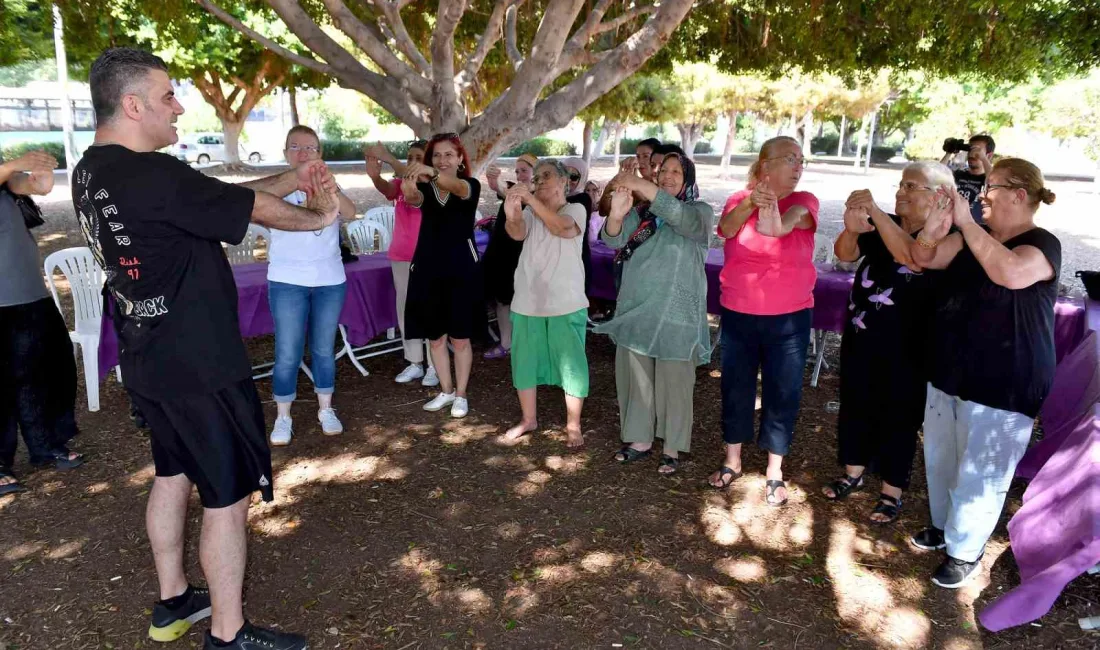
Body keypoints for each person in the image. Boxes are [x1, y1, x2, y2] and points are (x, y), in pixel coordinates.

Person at [73, 47, 337, 650]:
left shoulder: (94, 170)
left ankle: (173, 601)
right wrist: (317, 211)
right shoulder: (154, 176)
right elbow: (265, 214)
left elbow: (220, 197)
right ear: (133, 103)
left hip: (146, 358)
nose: (179, 106)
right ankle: (227, 632)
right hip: (200, 365)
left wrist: (292, 180)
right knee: (227, 494)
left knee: (172, 474)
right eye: (168, 96)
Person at [893, 158, 1060, 588]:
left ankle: (965, 551)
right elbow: (921, 259)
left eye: (991, 187)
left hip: (1005, 379)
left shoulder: (1041, 244)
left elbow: (1009, 272)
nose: (981, 194)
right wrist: (934, 227)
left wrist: (966, 225)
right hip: (950, 368)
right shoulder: (974, 235)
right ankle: (947, 527)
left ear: (1019, 195)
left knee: (982, 471)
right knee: (943, 456)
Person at [821, 162, 956, 524]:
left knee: (900, 414)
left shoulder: (947, 236)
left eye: (912, 186)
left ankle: (892, 490)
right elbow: (846, 253)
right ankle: (853, 471)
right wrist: (851, 230)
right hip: (863, 337)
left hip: (911, 347)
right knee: (855, 403)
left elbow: (911, 257)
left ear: (939, 196)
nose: (901, 191)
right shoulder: (886, 226)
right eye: (901, 184)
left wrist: (877, 213)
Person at [710, 136, 818, 506]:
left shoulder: (805, 202)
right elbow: (725, 229)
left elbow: (782, 226)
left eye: (801, 160)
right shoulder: (737, 200)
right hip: (740, 314)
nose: (799, 166)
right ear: (763, 165)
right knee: (735, 388)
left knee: (782, 392)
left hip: (789, 320)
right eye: (790, 159)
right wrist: (751, 203)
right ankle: (733, 460)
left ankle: (774, 469)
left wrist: (770, 210)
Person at [597, 153, 714, 475]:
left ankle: (673, 446)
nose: (668, 176)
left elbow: (678, 215)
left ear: (688, 179)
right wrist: (617, 216)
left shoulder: (699, 213)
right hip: (637, 310)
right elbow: (613, 240)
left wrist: (637, 183)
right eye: (664, 171)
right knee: (635, 379)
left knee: (675, 382)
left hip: (677, 315)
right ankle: (639, 439)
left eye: (677, 172)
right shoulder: (642, 213)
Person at [266, 125, 358, 447]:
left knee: (323, 349)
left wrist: (330, 189)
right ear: (285, 153)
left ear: (320, 154)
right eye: (295, 147)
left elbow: (350, 212)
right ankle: (283, 416)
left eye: (310, 148)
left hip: (329, 280)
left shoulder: (330, 183)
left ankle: (325, 409)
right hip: (287, 280)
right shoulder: (276, 188)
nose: (303, 153)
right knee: (287, 353)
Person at [1, 150, 85, 496]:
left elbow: (32, 185)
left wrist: (41, 173)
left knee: (38, 374)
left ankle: (45, 445)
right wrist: (16, 163)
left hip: (28, 295)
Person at [500, 160, 590, 448]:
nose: (539, 181)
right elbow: (515, 232)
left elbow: (561, 228)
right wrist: (512, 211)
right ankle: (529, 419)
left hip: (566, 302)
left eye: (546, 176)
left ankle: (573, 424)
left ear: (565, 182)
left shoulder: (575, 208)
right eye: (536, 177)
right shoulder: (531, 212)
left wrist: (527, 199)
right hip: (527, 301)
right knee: (523, 362)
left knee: (572, 365)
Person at [401, 133, 483, 418]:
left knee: (460, 339)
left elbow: (456, 186)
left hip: (462, 270)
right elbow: (413, 199)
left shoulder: (470, 185)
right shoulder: (429, 190)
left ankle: (461, 394)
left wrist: (429, 172)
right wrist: (409, 185)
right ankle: (446, 391)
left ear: (460, 159)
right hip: (428, 269)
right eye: (436, 155)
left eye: (449, 155)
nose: (442, 160)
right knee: (435, 338)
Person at [365, 140, 440, 387]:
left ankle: (435, 364)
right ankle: (415, 362)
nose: (412, 162)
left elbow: (413, 179)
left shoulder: (433, 185)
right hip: (400, 255)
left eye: (418, 157)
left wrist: (387, 156)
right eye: (409, 157)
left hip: (428, 256)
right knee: (406, 310)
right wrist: (375, 176)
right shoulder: (401, 183)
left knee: (430, 310)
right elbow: (387, 189)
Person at [481, 153, 537, 359]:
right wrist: (494, 183)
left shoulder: (539, 194)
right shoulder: (512, 189)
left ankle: (526, 345)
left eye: (524, 170)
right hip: (500, 251)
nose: (520, 174)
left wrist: (498, 187)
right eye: (517, 171)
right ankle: (506, 343)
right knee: (501, 300)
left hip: (522, 254)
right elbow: (503, 191)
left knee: (523, 301)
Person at [941, 135, 995, 223]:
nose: (972, 154)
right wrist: (948, 153)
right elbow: (935, 175)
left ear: (989, 156)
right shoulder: (958, 174)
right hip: (949, 223)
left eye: (977, 150)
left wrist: (984, 159)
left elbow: (994, 181)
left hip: (973, 226)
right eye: (970, 149)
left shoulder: (987, 178)